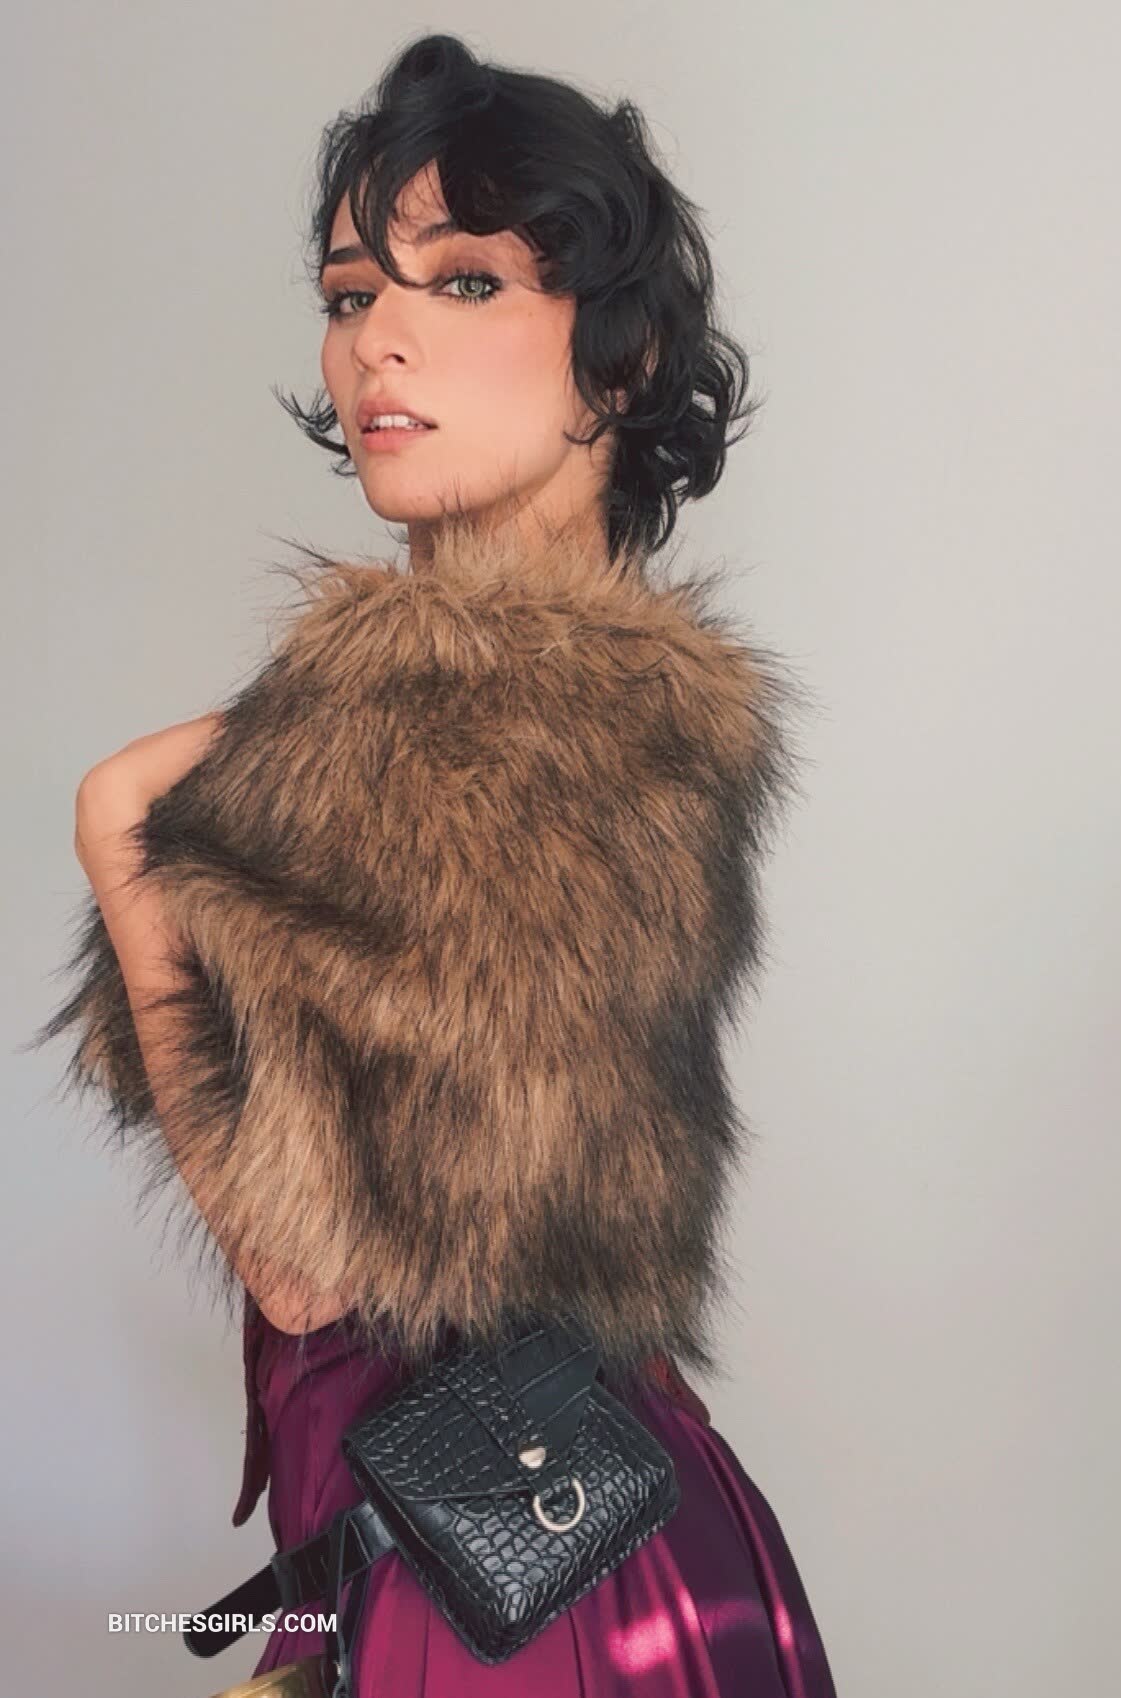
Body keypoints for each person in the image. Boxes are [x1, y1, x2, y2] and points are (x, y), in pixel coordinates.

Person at [33, 32, 838, 1698]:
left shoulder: (500, 738)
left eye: (467, 280)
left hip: (509, 1604)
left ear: (620, 360)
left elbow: (306, 1268)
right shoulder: (555, 722)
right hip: (541, 1552)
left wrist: (125, 828)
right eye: (350, 294)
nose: (377, 340)